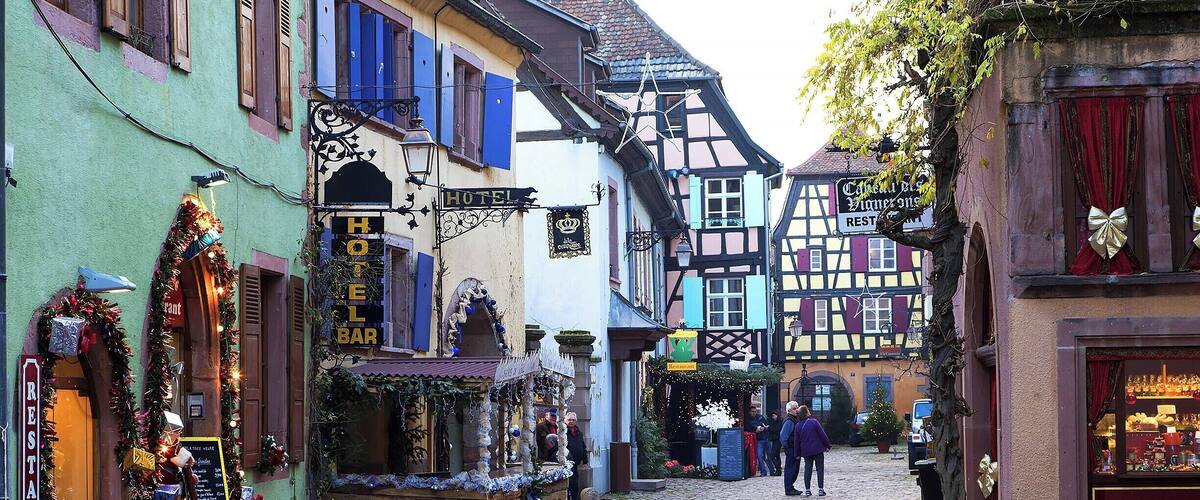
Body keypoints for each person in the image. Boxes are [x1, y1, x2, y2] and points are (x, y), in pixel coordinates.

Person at [794, 405, 832, 496]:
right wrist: (827, 445)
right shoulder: (814, 422)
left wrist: (797, 453)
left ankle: (807, 490)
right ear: (806, 413)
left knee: (808, 470)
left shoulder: (797, 426)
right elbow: (822, 435)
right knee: (820, 469)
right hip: (817, 449)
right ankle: (820, 489)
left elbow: (797, 441)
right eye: (807, 410)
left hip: (806, 451)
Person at [779, 401, 802, 495]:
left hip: (795, 448)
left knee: (795, 469)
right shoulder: (789, 421)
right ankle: (788, 489)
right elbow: (783, 437)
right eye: (794, 408)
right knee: (790, 469)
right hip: (791, 448)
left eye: (797, 407)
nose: (797, 410)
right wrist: (787, 448)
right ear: (789, 410)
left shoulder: (794, 419)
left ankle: (790, 487)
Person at [564, 412, 588, 500]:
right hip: (567, 463)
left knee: (575, 485)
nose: (571, 421)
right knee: (568, 485)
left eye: (573, 420)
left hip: (576, 463)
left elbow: (583, 446)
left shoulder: (578, 432)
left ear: (576, 421)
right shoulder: (563, 432)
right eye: (569, 420)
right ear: (565, 421)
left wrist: (585, 461)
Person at [745, 405, 772, 476]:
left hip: (766, 437)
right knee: (760, 456)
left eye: (755, 411)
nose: (754, 413)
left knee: (769, 455)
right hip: (758, 439)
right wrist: (756, 430)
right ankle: (763, 471)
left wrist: (765, 427)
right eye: (752, 412)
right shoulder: (748, 420)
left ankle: (772, 471)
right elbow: (749, 429)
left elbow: (767, 424)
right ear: (749, 412)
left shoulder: (760, 417)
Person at [767, 410, 784, 476]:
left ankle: (778, 468)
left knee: (772, 455)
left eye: (774, 415)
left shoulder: (779, 421)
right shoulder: (775, 421)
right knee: (777, 455)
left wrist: (769, 428)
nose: (773, 417)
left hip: (778, 440)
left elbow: (776, 430)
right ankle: (778, 471)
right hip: (775, 440)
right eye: (772, 416)